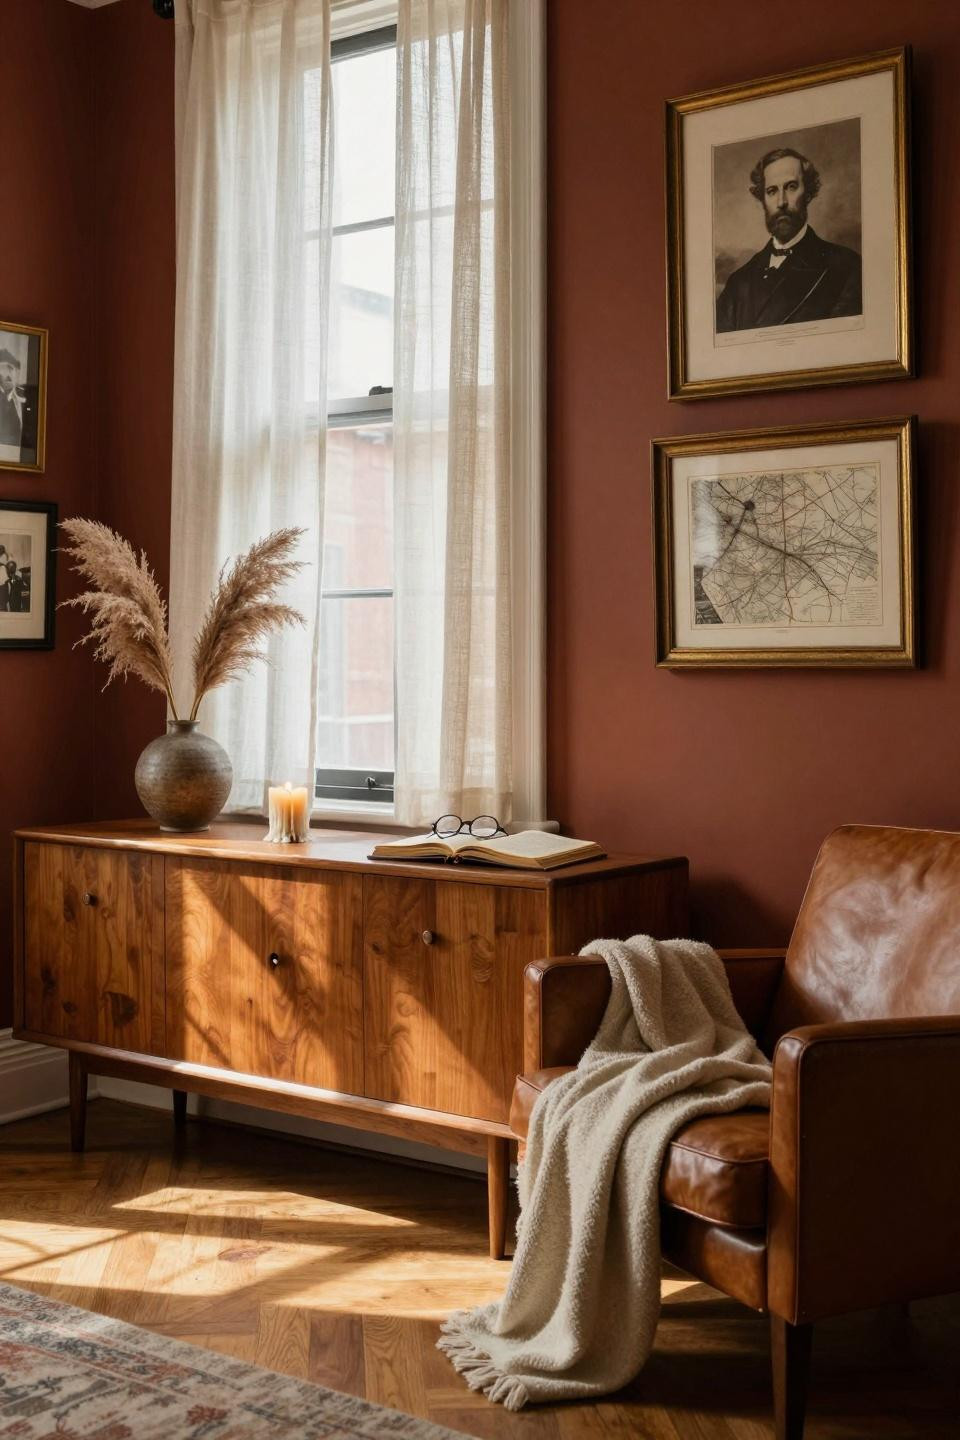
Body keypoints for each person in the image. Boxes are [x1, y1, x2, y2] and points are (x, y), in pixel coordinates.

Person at [716, 147, 862, 333]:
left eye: (791, 187)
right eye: (771, 191)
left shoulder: (846, 267)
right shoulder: (738, 283)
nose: (781, 202)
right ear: (762, 199)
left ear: (808, 193)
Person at [0, 348, 24, 448]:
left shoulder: (25, 396)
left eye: (12, 368)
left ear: (18, 372)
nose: (8, 374)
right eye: (3, 368)